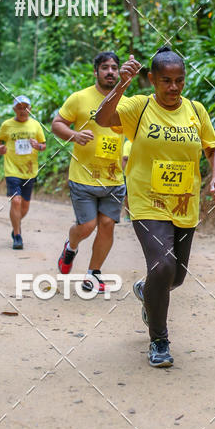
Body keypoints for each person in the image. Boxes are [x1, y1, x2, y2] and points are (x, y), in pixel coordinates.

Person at [96, 46, 215, 368]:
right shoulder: (138, 107)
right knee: (163, 267)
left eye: (179, 80)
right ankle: (159, 340)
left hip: (185, 203)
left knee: (175, 277)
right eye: (166, 80)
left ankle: (146, 291)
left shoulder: (196, 110)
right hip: (147, 201)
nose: (173, 87)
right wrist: (121, 84)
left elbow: (213, 148)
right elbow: (102, 117)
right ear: (152, 79)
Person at [51, 52, 127, 292]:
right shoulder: (79, 98)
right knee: (87, 226)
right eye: (105, 67)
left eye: (114, 67)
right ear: (96, 72)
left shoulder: (126, 101)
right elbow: (57, 124)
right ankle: (70, 247)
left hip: (114, 178)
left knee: (107, 225)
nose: (110, 72)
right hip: (83, 176)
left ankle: (93, 274)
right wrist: (74, 135)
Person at [0, 96, 46, 250]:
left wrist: (38, 146)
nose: (23, 110)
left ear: (30, 109)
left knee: (24, 207)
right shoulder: (7, 125)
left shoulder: (36, 125)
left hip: (30, 170)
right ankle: (17, 235)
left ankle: (15, 225)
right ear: (14, 109)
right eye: (19, 107)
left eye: (25, 107)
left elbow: (43, 146)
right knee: (16, 201)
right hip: (12, 169)